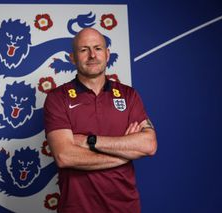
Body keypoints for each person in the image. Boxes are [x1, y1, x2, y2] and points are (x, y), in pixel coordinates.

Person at [43, 28, 157, 213]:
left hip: (125, 207)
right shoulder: (58, 98)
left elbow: (149, 144)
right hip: (76, 208)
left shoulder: (129, 95)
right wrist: (125, 153)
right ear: (72, 58)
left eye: (97, 48)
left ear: (107, 54)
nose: (92, 55)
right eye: (83, 50)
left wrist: (91, 141)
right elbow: (65, 156)